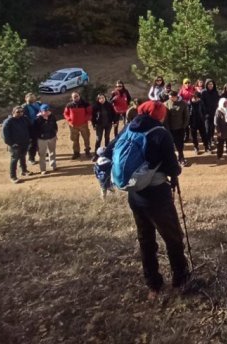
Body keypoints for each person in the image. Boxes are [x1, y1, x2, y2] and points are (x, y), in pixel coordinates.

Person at [103, 100, 189, 299]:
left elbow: (109, 151)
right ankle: (180, 280)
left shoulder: (130, 127)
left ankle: (153, 285)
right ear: (159, 114)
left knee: (146, 240)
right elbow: (172, 168)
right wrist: (176, 170)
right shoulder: (161, 133)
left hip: (135, 195)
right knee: (173, 238)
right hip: (157, 195)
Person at [3, 105, 32, 183]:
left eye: (21, 112)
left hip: (24, 142)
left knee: (23, 157)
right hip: (15, 145)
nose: (20, 113)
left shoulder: (24, 119)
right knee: (14, 160)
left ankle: (24, 170)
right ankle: (13, 177)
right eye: (18, 112)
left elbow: (30, 128)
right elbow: (5, 135)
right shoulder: (8, 121)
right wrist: (11, 144)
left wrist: (29, 139)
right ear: (13, 112)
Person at [165, 91, 191, 167]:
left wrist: (184, 126)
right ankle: (172, 159)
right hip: (169, 128)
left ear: (176, 97)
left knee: (179, 144)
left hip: (179, 128)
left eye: (173, 97)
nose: (171, 99)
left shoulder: (183, 104)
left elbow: (186, 116)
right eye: (170, 97)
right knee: (170, 144)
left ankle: (181, 158)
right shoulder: (166, 104)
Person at [64, 91, 93, 159]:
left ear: (79, 96)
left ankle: (87, 151)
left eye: (77, 96)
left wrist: (85, 119)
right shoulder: (69, 105)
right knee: (75, 140)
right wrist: (69, 120)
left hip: (83, 125)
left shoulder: (85, 104)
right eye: (74, 97)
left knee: (86, 138)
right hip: (73, 126)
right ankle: (76, 153)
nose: (75, 98)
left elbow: (90, 113)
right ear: (72, 98)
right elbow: (65, 114)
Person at [33, 103, 58, 173]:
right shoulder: (37, 119)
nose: (46, 112)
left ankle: (53, 165)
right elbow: (35, 130)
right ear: (41, 111)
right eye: (44, 111)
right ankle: (43, 169)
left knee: (52, 152)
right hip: (42, 139)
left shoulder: (52, 117)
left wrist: (55, 133)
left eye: (47, 111)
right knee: (42, 154)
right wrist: (40, 136)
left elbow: (55, 126)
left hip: (52, 137)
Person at [22, 93, 42, 165]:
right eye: (30, 98)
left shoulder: (38, 104)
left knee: (41, 140)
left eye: (33, 97)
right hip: (31, 127)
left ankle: (41, 153)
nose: (32, 99)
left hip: (40, 125)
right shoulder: (24, 107)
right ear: (26, 98)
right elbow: (23, 119)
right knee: (32, 143)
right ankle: (31, 158)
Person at [201, 80, 220, 149]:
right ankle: (208, 143)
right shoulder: (203, 92)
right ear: (206, 85)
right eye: (209, 84)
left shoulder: (216, 92)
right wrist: (205, 113)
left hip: (214, 114)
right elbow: (202, 104)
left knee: (212, 128)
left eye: (211, 84)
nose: (210, 85)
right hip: (207, 114)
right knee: (207, 129)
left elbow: (218, 102)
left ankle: (211, 139)